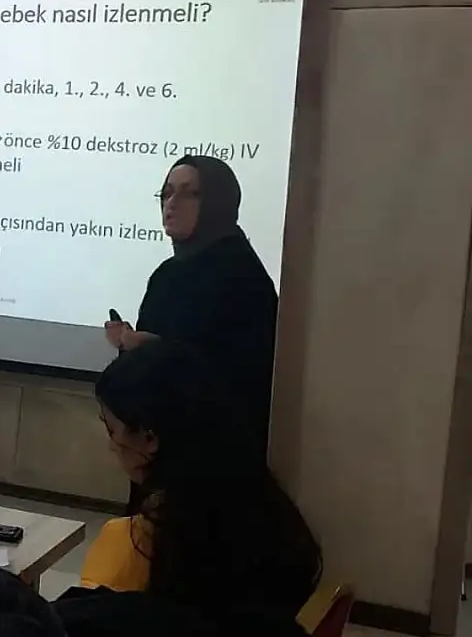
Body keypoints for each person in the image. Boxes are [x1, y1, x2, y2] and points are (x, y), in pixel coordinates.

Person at [77, 339, 322, 624]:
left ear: (149, 438)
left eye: (112, 430)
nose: (112, 446)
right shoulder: (271, 513)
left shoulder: (135, 544)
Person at [105, 154, 278, 513]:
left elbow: (244, 377)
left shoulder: (242, 276)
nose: (172, 203)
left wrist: (157, 349)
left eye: (189, 193)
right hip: (158, 451)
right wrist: (132, 346)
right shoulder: (168, 273)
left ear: (217, 203)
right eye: (167, 192)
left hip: (211, 467)